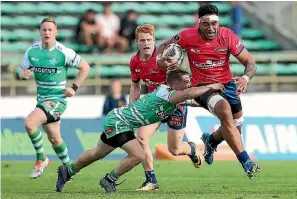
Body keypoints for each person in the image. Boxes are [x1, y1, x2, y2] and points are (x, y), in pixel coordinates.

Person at [56, 70, 223, 194]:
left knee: (97, 153)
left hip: (118, 120)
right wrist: (212, 86)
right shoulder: (166, 92)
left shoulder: (174, 95)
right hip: (120, 122)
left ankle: (68, 171)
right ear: (175, 84)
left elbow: (194, 100)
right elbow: (188, 93)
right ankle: (109, 180)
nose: (189, 84)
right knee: (139, 155)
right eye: (186, 81)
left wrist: (218, 102)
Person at [156, 4, 260, 179]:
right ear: (199, 23)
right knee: (224, 109)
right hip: (203, 87)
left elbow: (251, 63)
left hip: (228, 85)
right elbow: (163, 45)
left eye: (214, 23)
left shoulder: (227, 35)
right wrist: (161, 61)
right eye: (206, 24)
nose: (211, 28)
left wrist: (245, 78)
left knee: (235, 128)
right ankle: (246, 162)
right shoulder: (187, 36)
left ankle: (211, 140)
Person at [129, 24, 201, 191]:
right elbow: (135, 86)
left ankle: (190, 149)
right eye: (142, 40)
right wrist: (132, 108)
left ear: (154, 41)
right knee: (141, 139)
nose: (146, 43)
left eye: (149, 40)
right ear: (136, 42)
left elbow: (183, 76)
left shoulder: (165, 56)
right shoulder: (134, 61)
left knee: (174, 150)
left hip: (175, 104)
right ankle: (151, 180)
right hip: (155, 104)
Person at [21, 18, 91, 179]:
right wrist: (23, 74)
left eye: (50, 30)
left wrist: (73, 88)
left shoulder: (63, 52)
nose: (47, 32)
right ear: (39, 31)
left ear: (56, 32)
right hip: (42, 100)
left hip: (57, 100)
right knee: (54, 137)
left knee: (30, 123)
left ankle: (41, 159)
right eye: (44, 29)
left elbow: (85, 67)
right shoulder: (31, 51)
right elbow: (23, 70)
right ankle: (69, 169)